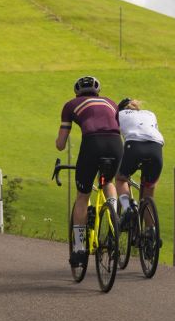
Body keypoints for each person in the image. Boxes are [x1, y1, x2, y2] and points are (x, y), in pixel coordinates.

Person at [55, 75, 122, 267]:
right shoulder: (110, 102)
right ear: (97, 91)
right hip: (116, 144)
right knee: (108, 181)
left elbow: (61, 144)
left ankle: (79, 248)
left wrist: (58, 143)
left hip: (92, 143)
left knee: (83, 196)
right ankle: (113, 217)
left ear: (77, 92)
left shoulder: (71, 105)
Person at [115, 98, 164, 227]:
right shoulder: (149, 114)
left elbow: (114, 138)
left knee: (121, 179)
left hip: (134, 146)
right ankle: (150, 233)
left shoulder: (119, 114)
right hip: (156, 148)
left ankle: (127, 208)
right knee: (149, 191)